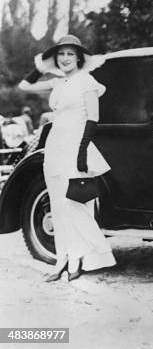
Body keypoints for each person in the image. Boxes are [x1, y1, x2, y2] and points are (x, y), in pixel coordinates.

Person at [18, 34, 115, 282]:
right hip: (55, 147)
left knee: (75, 205)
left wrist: (82, 151)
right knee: (58, 206)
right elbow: (24, 86)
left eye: (70, 54)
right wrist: (41, 67)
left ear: (79, 58)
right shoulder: (57, 82)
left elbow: (93, 118)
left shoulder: (87, 81)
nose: (64, 58)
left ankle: (81, 260)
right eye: (60, 54)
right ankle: (62, 260)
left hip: (76, 146)